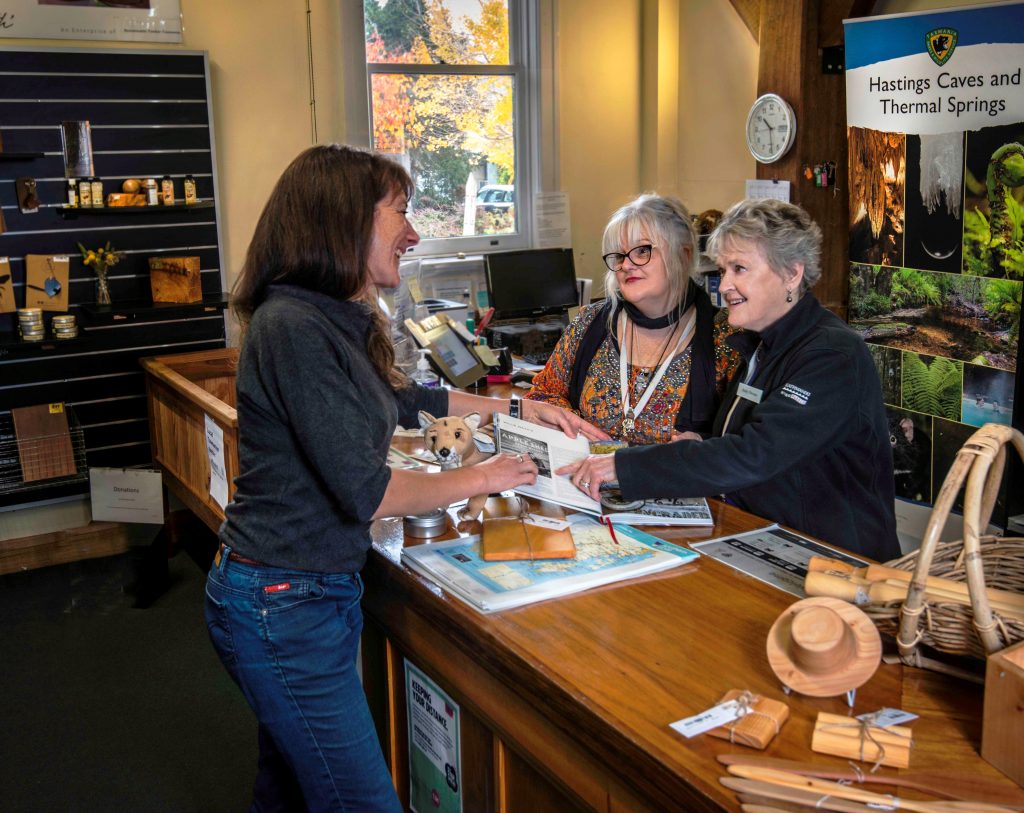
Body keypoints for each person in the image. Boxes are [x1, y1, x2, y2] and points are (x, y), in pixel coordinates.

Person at [205, 144, 605, 813]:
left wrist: (514, 405)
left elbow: (403, 401)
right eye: (400, 212)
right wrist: (489, 473)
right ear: (345, 221)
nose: (414, 233)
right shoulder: (293, 328)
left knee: (289, 789)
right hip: (284, 600)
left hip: (304, 591)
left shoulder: (325, 317)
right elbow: (373, 492)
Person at [560, 198, 900, 561]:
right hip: (765, 539)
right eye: (723, 271)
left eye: (740, 269)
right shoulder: (761, 343)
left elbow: (755, 454)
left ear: (791, 274)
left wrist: (623, 466)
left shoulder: (831, 356)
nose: (724, 286)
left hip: (835, 561)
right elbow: (765, 437)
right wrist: (703, 440)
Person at [526, 194, 741, 444]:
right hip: (583, 479)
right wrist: (570, 424)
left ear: (683, 254)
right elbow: (541, 396)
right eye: (618, 255)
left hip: (670, 481)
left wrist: (702, 444)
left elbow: (743, 440)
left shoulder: (727, 337)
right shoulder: (589, 323)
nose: (627, 265)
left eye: (641, 251)